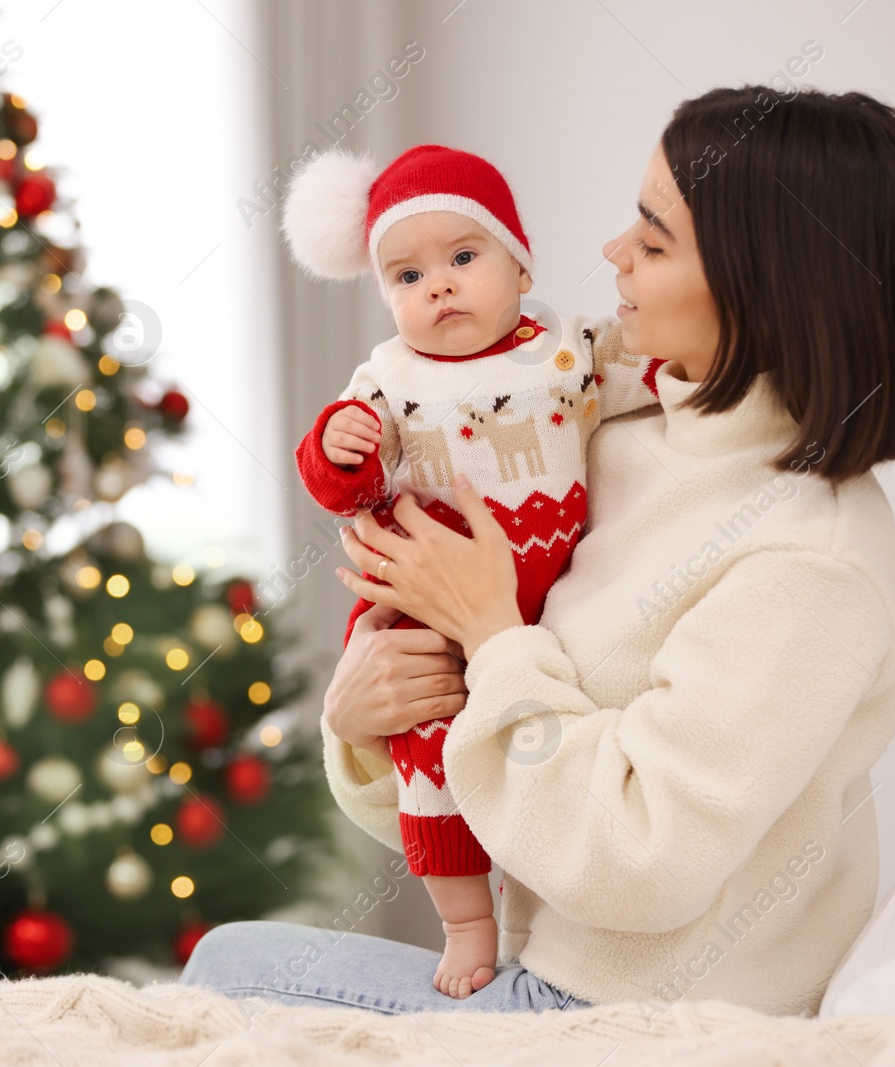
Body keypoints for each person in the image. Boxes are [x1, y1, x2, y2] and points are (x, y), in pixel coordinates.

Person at [180, 84, 895, 1017]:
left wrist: (492, 632)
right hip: (535, 968)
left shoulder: (809, 557)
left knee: (225, 974)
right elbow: (493, 805)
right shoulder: (617, 443)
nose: (612, 254)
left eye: (654, 240)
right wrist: (365, 721)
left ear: (766, 281)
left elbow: (640, 860)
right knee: (227, 957)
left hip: (638, 1021)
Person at [283, 142, 666, 999]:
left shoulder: (566, 351)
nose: (440, 286)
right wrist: (341, 449)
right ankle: (465, 920)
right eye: (407, 275)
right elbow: (338, 475)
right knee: (432, 760)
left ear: (520, 263)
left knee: (526, 743)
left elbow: (649, 368)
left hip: (538, 598)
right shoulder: (387, 380)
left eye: (464, 256)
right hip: (426, 608)